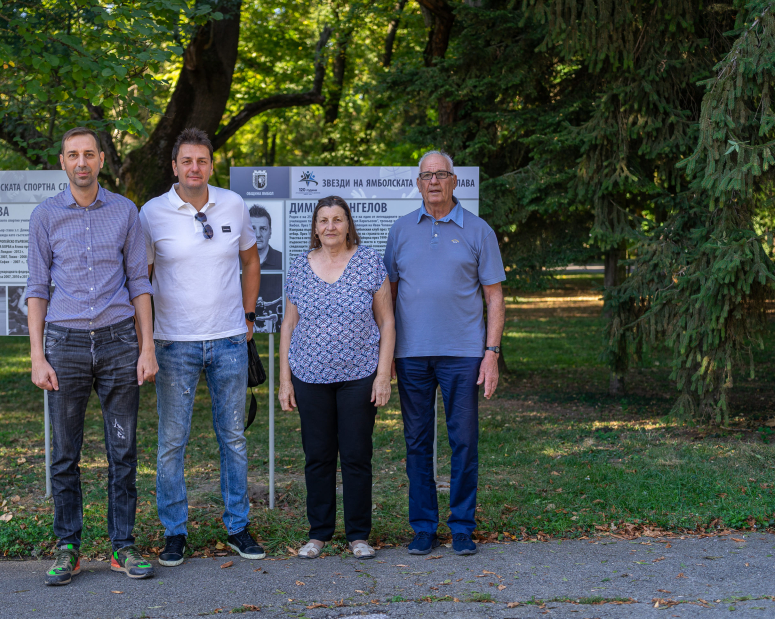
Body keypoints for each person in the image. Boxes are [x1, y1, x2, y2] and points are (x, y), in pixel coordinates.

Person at [25, 127, 157, 586]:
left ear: (102, 159)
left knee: (123, 450)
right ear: (62, 162)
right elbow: (37, 290)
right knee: (65, 454)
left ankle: (123, 547)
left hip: (121, 343)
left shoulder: (125, 212)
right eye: (72, 155)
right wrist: (38, 356)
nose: (81, 162)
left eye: (88, 154)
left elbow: (140, 283)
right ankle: (69, 548)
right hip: (66, 346)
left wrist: (146, 347)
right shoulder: (44, 216)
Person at [139, 127, 265, 566]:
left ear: (212, 165)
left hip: (229, 339)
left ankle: (238, 527)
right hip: (174, 343)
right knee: (173, 441)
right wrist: (147, 341)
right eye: (187, 161)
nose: (195, 168)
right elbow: (142, 280)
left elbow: (251, 261)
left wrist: (248, 318)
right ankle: (175, 532)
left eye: (203, 161)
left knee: (232, 438)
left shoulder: (232, 203)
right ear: (174, 166)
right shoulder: (151, 213)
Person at [384, 149, 506, 557]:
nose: (433, 181)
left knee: (464, 442)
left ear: (455, 181)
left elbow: (494, 296)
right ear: (418, 184)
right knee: (416, 442)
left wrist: (491, 353)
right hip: (412, 354)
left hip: (463, 354)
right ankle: (423, 527)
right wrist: (387, 355)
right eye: (426, 175)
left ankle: (462, 526)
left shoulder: (477, 230)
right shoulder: (400, 230)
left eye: (441, 174)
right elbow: (388, 298)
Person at [278, 196, 395, 560]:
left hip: (360, 375)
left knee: (357, 455)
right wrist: (285, 379)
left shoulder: (370, 263)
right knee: (318, 456)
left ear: (348, 225)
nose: (330, 226)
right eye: (324, 220)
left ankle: (359, 534)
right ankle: (319, 533)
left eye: (338, 220)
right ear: (315, 227)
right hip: (310, 376)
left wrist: (383, 375)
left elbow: (387, 321)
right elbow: (289, 324)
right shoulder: (299, 267)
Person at [249, 204, 282, 270]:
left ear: (270, 232)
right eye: (252, 229)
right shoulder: (234, 261)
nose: (258, 235)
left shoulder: (283, 260)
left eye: (263, 229)